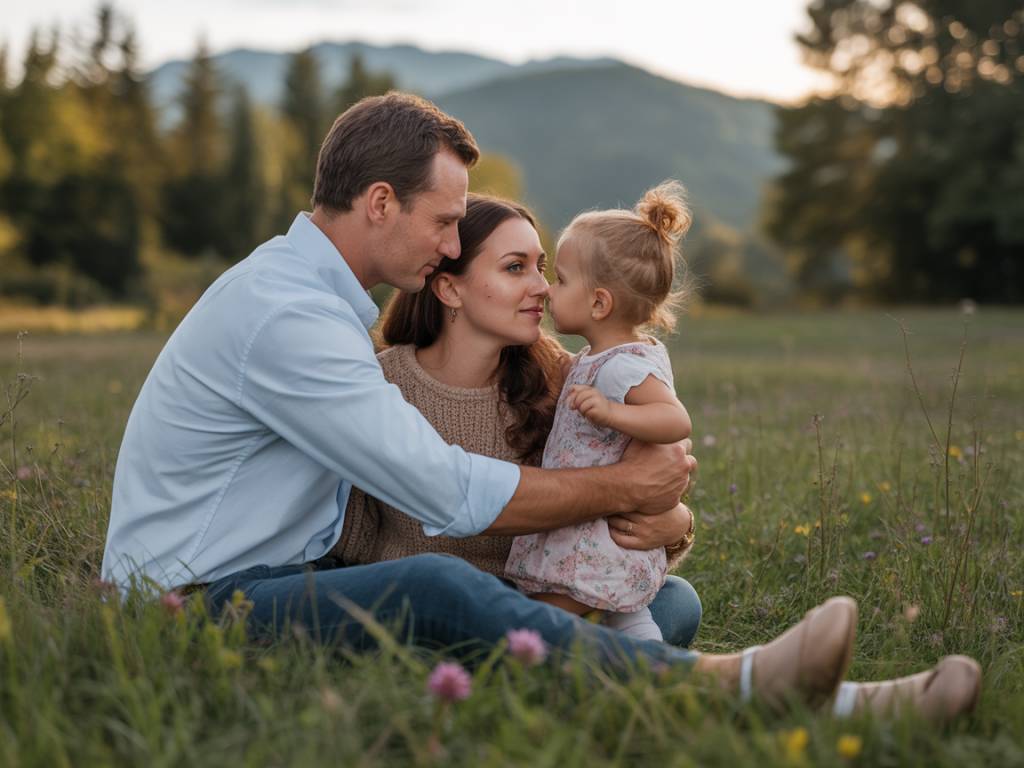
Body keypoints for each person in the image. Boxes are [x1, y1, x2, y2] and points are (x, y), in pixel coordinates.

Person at [99, 92, 976, 719]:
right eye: (445, 222)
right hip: (196, 603)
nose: (451, 242)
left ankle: (521, 672)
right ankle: (742, 691)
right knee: (440, 585)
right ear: (378, 204)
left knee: (665, 605)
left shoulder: (315, 302)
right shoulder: (286, 315)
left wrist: (660, 508)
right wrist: (629, 490)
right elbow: (437, 487)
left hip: (280, 583)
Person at [505, 181, 693, 641]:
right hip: (592, 532)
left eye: (561, 278)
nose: (548, 290)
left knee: (558, 616)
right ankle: (655, 671)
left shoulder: (618, 369)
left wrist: (613, 415)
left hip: (594, 538)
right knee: (627, 618)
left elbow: (676, 422)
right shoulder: (599, 360)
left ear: (599, 302)